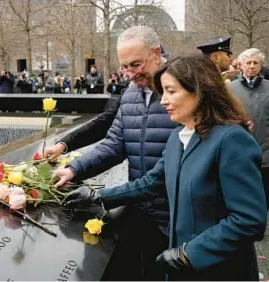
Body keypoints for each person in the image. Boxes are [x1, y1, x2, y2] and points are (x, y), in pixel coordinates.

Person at [63, 54, 267, 281]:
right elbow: (152, 182)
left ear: (199, 91)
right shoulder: (178, 137)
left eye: (171, 91)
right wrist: (98, 196)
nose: (163, 101)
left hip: (221, 271)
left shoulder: (231, 140)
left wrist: (189, 254)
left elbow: (249, 220)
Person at [52, 26, 177, 280]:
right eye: (124, 67)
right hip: (140, 210)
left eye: (136, 65)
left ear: (156, 53)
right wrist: (75, 169)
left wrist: (102, 196)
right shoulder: (130, 94)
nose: (130, 75)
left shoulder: (181, 91)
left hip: (176, 216)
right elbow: (113, 145)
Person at [228, 48, 269, 209]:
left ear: (261, 66)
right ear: (241, 65)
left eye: (255, 63)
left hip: (266, 155)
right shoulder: (230, 89)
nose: (252, 66)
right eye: (248, 62)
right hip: (239, 153)